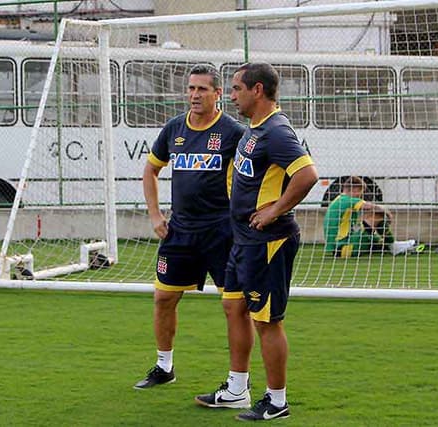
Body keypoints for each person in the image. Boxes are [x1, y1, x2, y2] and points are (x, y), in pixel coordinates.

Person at [194, 62, 318, 421]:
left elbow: (307, 175)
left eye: (235, 89)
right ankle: (236, 389)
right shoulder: (253, 129)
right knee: (233, 307)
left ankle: (277, 401)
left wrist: (275, 210)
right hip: (241, 240)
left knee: (267, 321)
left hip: (268, 242)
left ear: (257, 90)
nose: (230, 95)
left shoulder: (277, 132)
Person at [134, 64, 246, 389]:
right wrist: (155, 215)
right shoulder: (173, 129)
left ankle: (237, 381)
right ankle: (164, 366)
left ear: (218, 93)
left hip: (221, 233)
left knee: (233, 307)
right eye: (191, 89)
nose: (194, 95)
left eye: (202, 89)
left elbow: (253, 178)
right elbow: (150, 171)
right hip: (179, 233)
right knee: (163, 299)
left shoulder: (233, 132)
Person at [323, 176, 417, 258]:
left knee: (375, 240)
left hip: (337, 248)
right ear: (354, 189)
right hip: (345, 247)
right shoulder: (347, 200)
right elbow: (374, 207)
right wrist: (387, 213)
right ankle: (394, 246)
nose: (360, 196)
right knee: (377, 215)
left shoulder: (338, 200)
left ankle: (392, 246)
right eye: (360, 192)